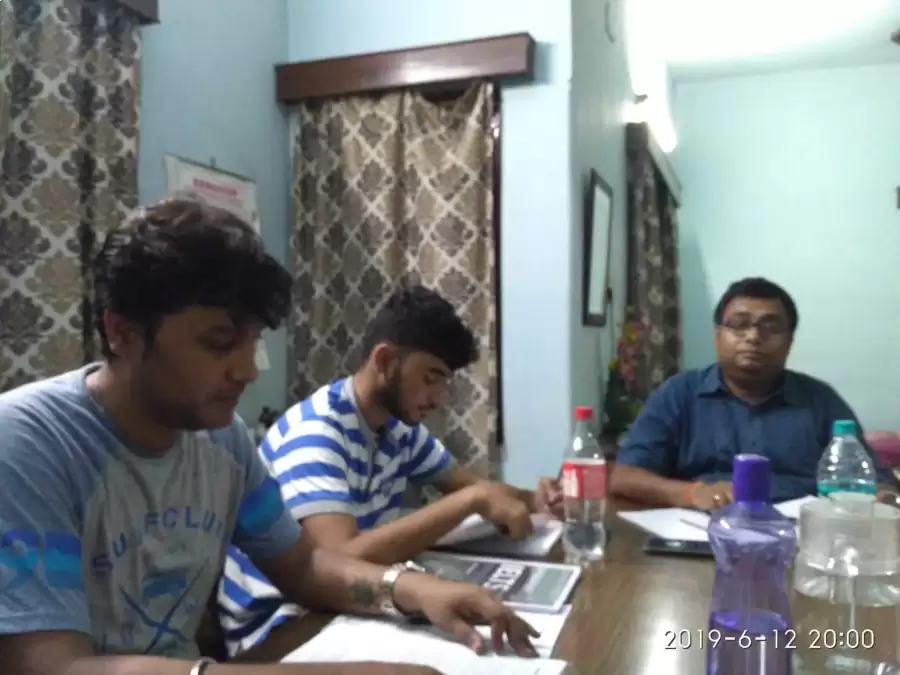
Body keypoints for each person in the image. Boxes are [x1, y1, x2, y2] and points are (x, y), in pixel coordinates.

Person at [0, 200, 538, 675]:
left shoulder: (222, 442)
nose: (247, 370)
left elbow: (303, 565)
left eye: (252, 343)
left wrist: (413, 590)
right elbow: (50, 667)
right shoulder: (28, 444)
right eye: (219, 343)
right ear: (123, 332)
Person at [218, 285, 564, 657]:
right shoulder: (315, 433)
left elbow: (478, 489)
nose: (438, 398)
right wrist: (469, 501)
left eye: (444, 382)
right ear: (385, 361)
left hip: (345, 604)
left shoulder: (399, 429)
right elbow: (339, 559)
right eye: (430, 378)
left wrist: (535, 499)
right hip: (280, 627)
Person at [610, 277, 893, 510]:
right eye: (739, 324)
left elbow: (875, 482)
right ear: (718, 335)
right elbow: (624, 476)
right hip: (699, 531)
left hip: (801, 536)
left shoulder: (820, 401)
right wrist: (692, 493)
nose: (754, 337)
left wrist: (884, 498)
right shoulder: (680, 393)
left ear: (790, 340)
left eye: (770, 327)